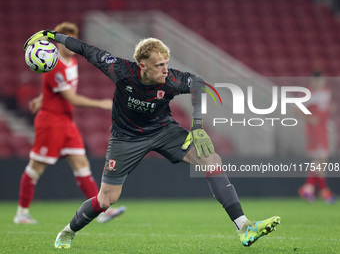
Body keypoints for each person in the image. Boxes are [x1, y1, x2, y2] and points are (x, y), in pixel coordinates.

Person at [23, 30, 280, 249]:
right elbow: (85, 49)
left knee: (211, 159)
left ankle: (244, 226)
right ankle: (68, 231)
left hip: (163, 130)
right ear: (142, 65)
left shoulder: (171, 79)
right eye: (160, 65)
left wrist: (198, 126)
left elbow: (199, 86)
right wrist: (51, 35)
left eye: (167, 63)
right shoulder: (121, 69)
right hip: (126, 138)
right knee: (106, 200)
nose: (166, 70)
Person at [14, 22, 126, 225]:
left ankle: (101, 211)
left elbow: (57, 90)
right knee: (36, 167)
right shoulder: (54, 66)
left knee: (82, 165)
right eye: (67, 41)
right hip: (51, 122)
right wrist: (101, 103)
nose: (72, 45)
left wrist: (41, 98)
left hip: (67, 122)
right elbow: (71, 98)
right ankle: (21, 213)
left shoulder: (71, 62)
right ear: (58, 43)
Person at [298, 70, 336, 204]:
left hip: (324, 129)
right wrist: (309, 118)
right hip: (314, 131)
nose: (318, 83)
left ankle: (317, 189)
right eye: (316, 81)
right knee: (320, 159)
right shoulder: (309, 94)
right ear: (312, 81)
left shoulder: (326, 93)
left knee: (322, 162)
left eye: (320, 80)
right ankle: (315, 189)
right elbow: (297, 107)